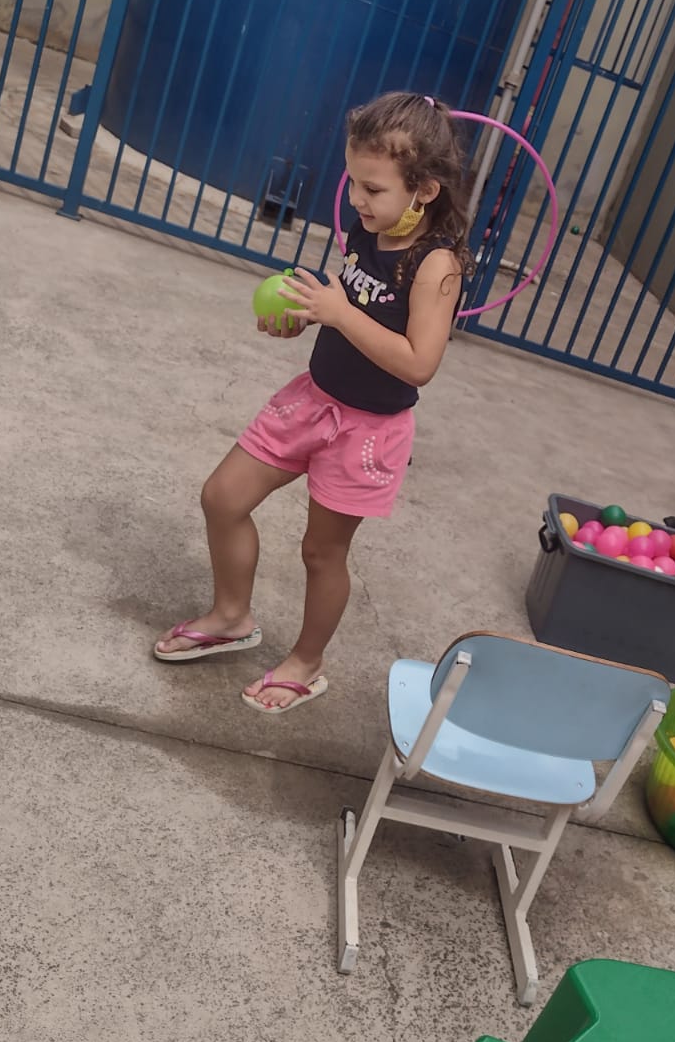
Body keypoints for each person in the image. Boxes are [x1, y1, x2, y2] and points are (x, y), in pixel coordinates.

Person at [154, 91, 471, 712]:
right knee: (222, 497)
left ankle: (306, 661)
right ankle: (231, 616)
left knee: (322, 552)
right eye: (353, 183)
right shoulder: (364, 229)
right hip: (312, 399)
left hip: (368, 432)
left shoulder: (437, 266)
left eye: (373, 189)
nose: (358, 201)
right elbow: (350, 314)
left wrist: (340, 313)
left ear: (424, 190)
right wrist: (304, 320)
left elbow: (419, 363)